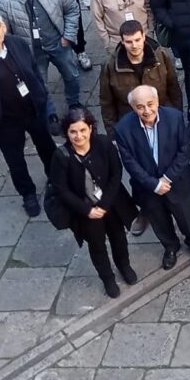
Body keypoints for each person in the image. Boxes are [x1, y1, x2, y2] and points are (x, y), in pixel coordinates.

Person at [0, 12, 58, 216]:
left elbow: (34, 69)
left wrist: (41, 95)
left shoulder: (18, 43)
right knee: (15, 159)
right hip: (5, 120)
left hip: (32, 109)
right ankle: (28, 194)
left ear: (3, 27)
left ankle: (55, 179)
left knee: (47, 146)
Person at [115, 85, 190, 269]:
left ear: (157, 101)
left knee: (187, 219)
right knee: (159, 222)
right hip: (147, 188)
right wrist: (154, 184)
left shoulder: (175, 117)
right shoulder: (123, 128)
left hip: (177, 182)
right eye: (140, 107)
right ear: (132, 107)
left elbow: (184, 152)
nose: (146, 110)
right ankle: (170, 247)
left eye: (150, 104)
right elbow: (130, 163)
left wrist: (166, 178)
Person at [51, 108, 138, 297]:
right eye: (73, 131)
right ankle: (108, 279)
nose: (78, 136)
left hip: (111, 205)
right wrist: (87, 210)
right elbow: (62, 190)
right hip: (86, 212)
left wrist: (104, 204)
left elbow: (116, 173)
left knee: (118, 238)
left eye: (83, 130)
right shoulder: (61, 156)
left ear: (90, 128)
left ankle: (124, 266)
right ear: (67, 132)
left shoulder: (104, 144)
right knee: (97, 246)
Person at [0, 0, 81, 130]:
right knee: (40, 85)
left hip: (58, 43)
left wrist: (68, 36)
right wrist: (17, 53)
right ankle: (50, 114)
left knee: (72, 75)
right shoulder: (4, 0)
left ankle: (74, 103)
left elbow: (72, 9)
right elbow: (3, 31)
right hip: (31, 52)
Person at [98, 20, 183, 135]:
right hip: (130, 123)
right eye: (129, 42)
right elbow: (107, 102)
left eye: (137, 40)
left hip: (162, 117)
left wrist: (177, 118)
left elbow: (174, 89)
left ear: (143, 37)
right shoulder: (110, 65)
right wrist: (113, 134)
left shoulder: (160, 56)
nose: (134, 46)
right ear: (122, 41)